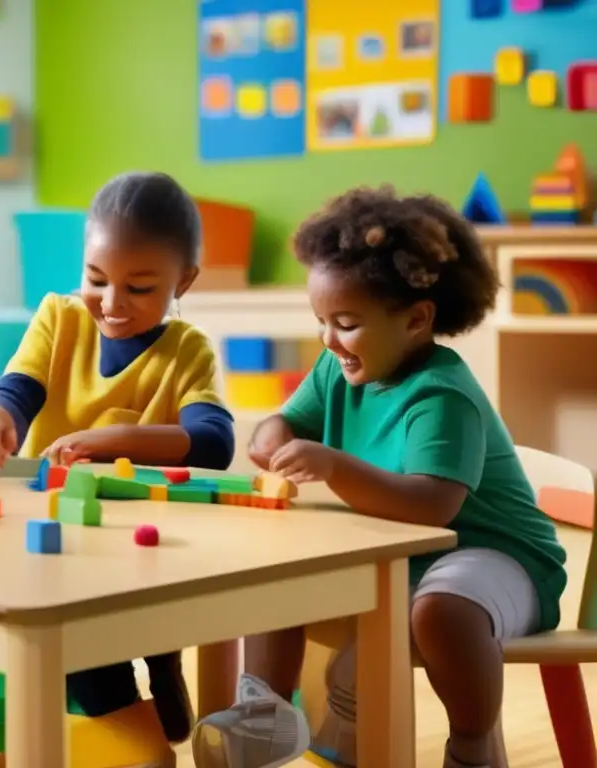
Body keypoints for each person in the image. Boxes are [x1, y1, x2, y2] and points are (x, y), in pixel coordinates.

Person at [193, 187, 567, 768]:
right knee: (273, 575)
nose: (328, 340)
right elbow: (287, 420)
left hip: (496, 556)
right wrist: (271, 437)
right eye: (321, 321)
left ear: (418, 320)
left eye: (345, 323)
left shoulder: (442, 395)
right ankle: (263, 716)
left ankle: (472, 744)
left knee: (441, 609)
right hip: (402, 562)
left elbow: (433, 505)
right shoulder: (336, 369)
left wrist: (335, 466)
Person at [0, 171, 235, 743]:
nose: (112, 304)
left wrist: (108, 440)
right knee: (80, 642)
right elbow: (21, 386)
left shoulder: (186, 350)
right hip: (57, 529)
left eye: (139, 288)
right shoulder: (60, 317)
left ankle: (161, 660)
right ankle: (128, 716)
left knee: (130, 615)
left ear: (182, 280)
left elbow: (215, 442)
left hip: (142, 539)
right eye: (96, 279)